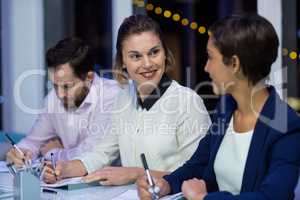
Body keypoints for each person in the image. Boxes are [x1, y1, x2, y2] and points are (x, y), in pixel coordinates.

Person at [137, 14, 300, 200]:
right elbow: (199, 164)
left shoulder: (287, 126)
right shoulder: (226, 107)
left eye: (210, 57)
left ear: (235, 64)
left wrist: (203, 199)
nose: (206, 67)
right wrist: (167, 184)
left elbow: (272, 197)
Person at [42, 14, 211, 185]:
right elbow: (102, 153)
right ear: (122, 61)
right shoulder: (123, 98)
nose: (147, 64)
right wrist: (64, 169)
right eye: (135, 56)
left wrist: (136, 175)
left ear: (165, 54)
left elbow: (198, 174)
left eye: (154, 52)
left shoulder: (188, 102)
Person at [6, 38, 120, 176]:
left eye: (67, 86)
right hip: (69, 187)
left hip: (111, 188)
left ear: (89, 77)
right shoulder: (52, 99)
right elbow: (33, 141)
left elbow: (94, 153)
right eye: (55, 85)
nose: (59, 94)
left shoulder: (111, 95)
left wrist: (52, 153)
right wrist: (18, 153)